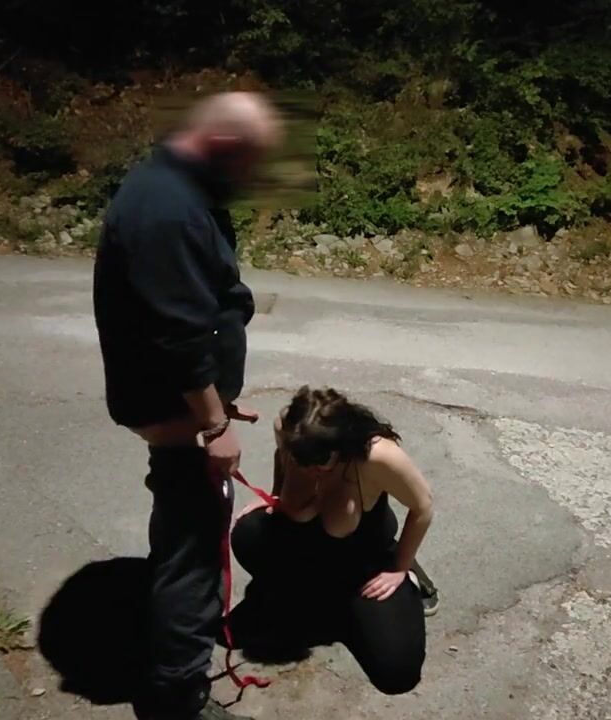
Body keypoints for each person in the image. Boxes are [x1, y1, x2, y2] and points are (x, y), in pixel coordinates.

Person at [92, 91, 282, 720]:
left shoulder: (171, 188)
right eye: (251, 162)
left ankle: (169, 650)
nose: (253, 177)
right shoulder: (167, 208)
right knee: (193, 547)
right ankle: (176, 694)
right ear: (224, 144)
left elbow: (193, 306)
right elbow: (177, 331)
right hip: (175, 405)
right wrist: (213, 420)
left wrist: (219, 400)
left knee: (182, 527)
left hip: (178, 400)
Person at [225, 386, 437, 696]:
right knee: (248, 532)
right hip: (310, 549)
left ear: (341, 447)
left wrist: (399, 568)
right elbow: (281, 457)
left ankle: (409, 582)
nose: (311, 471)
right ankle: (316, 602)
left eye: (319, 463)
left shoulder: (377, 454)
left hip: (365, 560)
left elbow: (423, 507)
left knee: (396, 672)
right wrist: (276, 496)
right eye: (302, 462)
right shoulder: (289, 427)